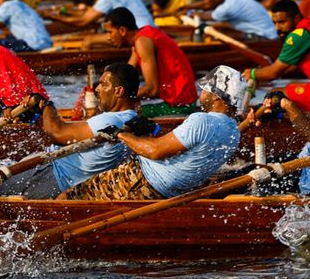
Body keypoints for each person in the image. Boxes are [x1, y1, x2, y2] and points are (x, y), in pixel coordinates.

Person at [62, 65, 243, 201]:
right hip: (171, 192)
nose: (200, 93)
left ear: (216, 96)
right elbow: (183, 149)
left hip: (142, 181)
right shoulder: (234, 131)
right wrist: (152, 130)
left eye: (205, 90)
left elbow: (154, 151)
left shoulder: (202, 120)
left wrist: (119, 134)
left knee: (67, 198)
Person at [0, 63, 142, 200]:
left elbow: (57, 133)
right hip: (61, 178)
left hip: (51, 177)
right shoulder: (133, 119)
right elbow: (66, 129)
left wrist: (45, 103)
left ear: (118, 91)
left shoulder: (111, 121)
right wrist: (38, 114)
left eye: (103, 84)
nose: (97, 89)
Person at [104, 7, 197, 117]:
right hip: (179, 101)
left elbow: (152, 89)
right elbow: (124, 75)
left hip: (181, 106)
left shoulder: (142, 42)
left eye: (110, 32)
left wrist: (115, 100)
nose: (108, 37)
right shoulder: (140, 38)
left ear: (122, 31)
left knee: (122, 113)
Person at [244, 0, 310, 111]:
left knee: (275, 95)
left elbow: (273, 73)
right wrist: (260, 74)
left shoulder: (298, 36)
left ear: (296, 18)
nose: (277, 28)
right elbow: (290, 67)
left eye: (282, 22)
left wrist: (252, 73)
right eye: (275, 23)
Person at [192, 0, 278, 40]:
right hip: (270, 30)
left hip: (266, 37)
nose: (206, 1)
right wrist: (187, 7)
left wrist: (191, 13)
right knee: (225, 24)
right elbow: (207, 6)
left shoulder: (227, 8)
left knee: (222, 28)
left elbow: (208, 15)